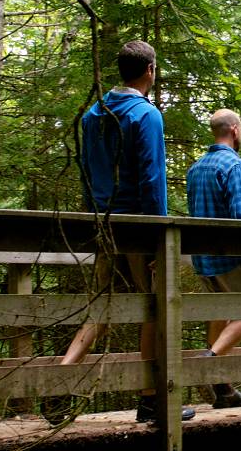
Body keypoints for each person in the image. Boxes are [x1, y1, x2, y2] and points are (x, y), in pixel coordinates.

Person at [65, 40, 193, 424]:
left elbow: (87, 172)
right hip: (138, 226)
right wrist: (158, 235)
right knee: (154, 307)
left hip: (105, 224)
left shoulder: (93, 114)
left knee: (101, 308)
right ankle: (151, 399)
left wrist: (94, 217)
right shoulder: (146, 115)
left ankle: (58, 382)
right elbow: (153, 180)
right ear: (150, 70)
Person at [184, 109, 241, 409]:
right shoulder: (234, 165)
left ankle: (224, 390)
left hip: (202, 259)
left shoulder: (196, 167)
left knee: (219, 314)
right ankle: (208, 363)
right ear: (234, 130)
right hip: (228, 257)